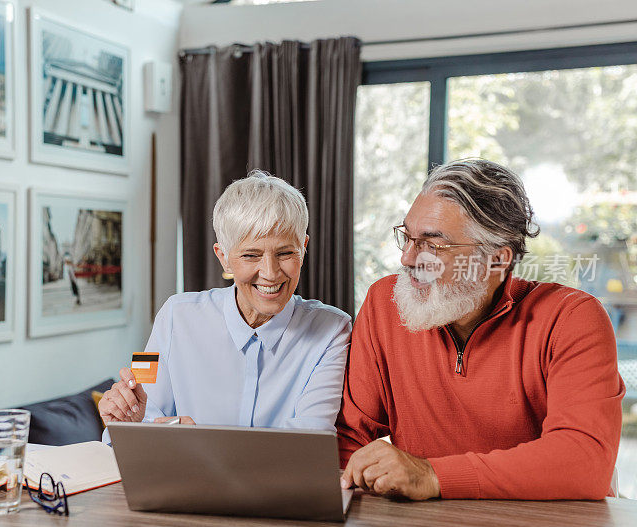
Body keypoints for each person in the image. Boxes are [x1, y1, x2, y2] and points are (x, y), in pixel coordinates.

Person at [338, 158, 625, 501]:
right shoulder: (385, 302)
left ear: (498, 260)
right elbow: (347, 440)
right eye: (408, 237)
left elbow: (585, 462)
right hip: (426, 521)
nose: (408, 258)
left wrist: (433, 476)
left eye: (433, 243)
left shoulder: (572, 318)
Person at [98, 170, 351, 438]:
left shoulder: (332, 330)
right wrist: (128, 420)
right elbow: (142, 416)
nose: (270, 272)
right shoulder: (173, 315)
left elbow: (309, 442)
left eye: (285, 253)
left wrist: (201, 444)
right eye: (251, 255)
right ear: (223, 257)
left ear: (304, 247)